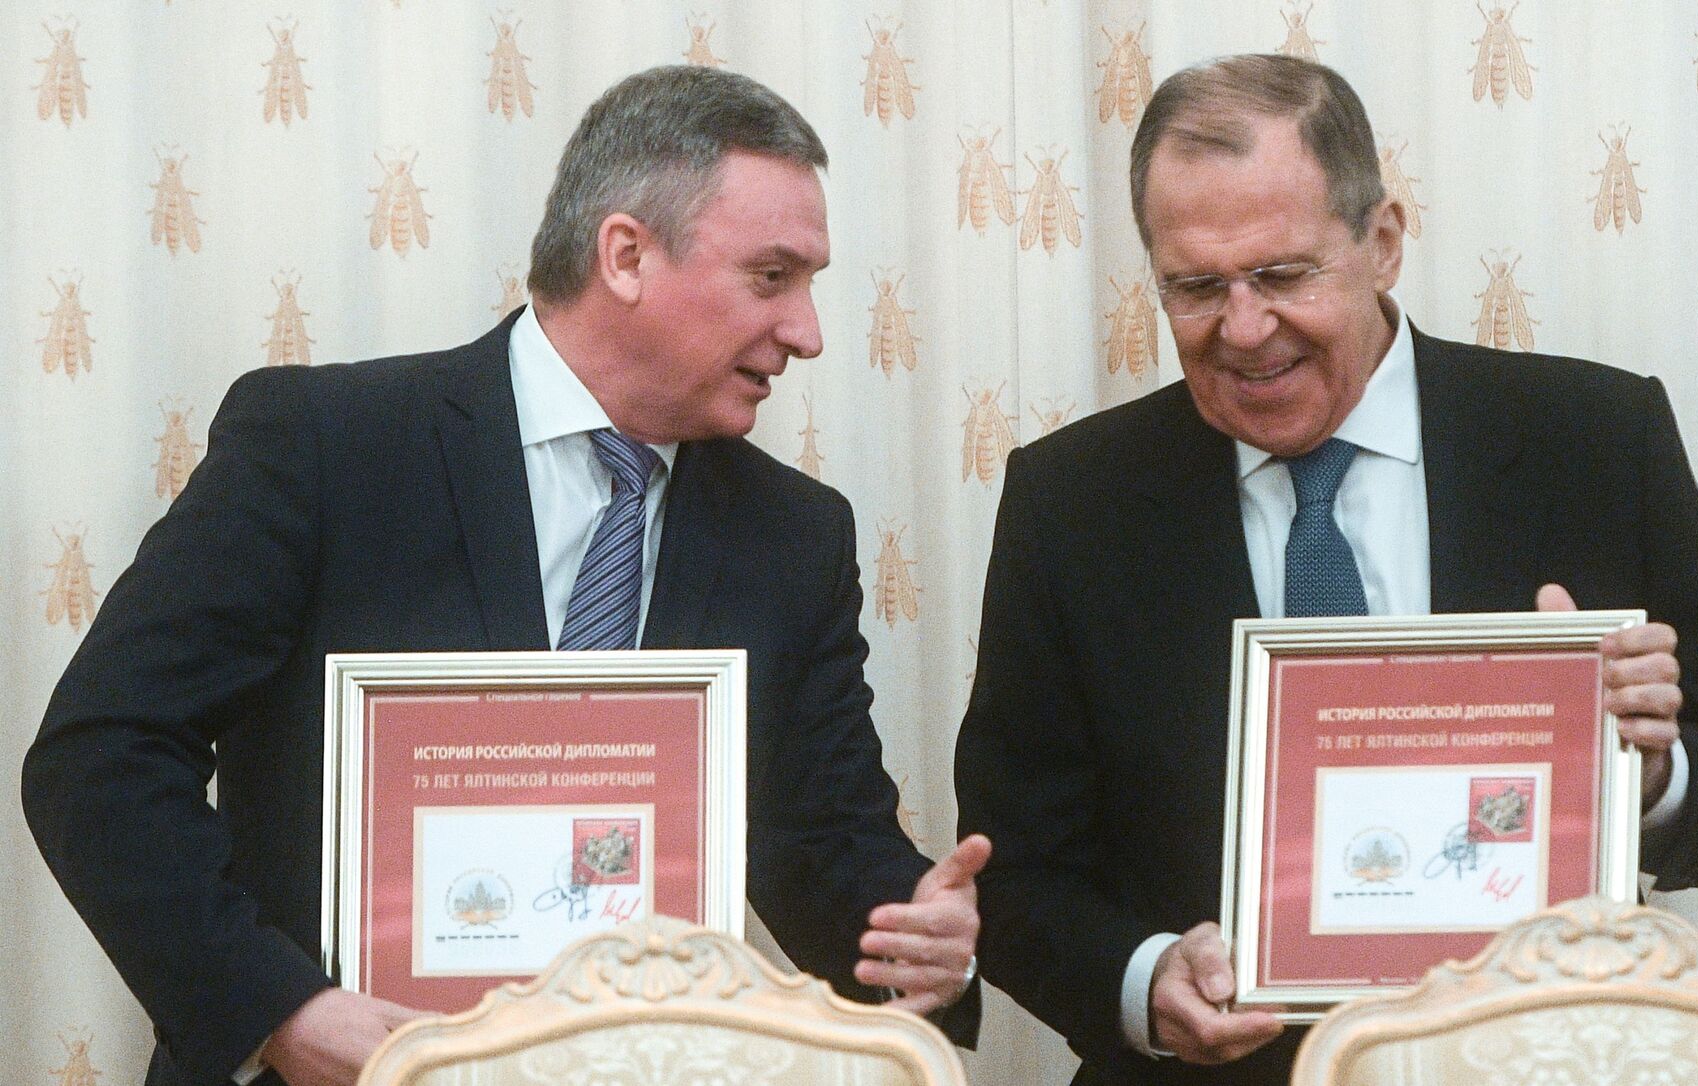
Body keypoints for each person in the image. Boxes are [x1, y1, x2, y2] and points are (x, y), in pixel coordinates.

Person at [23, 66, 985, 1086]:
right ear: (626, 256)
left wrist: (921, 941)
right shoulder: (325, 448)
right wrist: (282, 1013)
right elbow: (103, 755)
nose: (808, 332)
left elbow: (826, 842)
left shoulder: (793, 535)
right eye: (772, 276)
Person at [953, 54, 1698, 1085]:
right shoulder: (1072, 500)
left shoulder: (1594, 441)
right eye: (1198, 287)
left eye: (1282, 275)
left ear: (1383, 242)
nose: (1244, 329)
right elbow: (1015, 872)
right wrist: (1146, 980)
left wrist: (1647, 772)